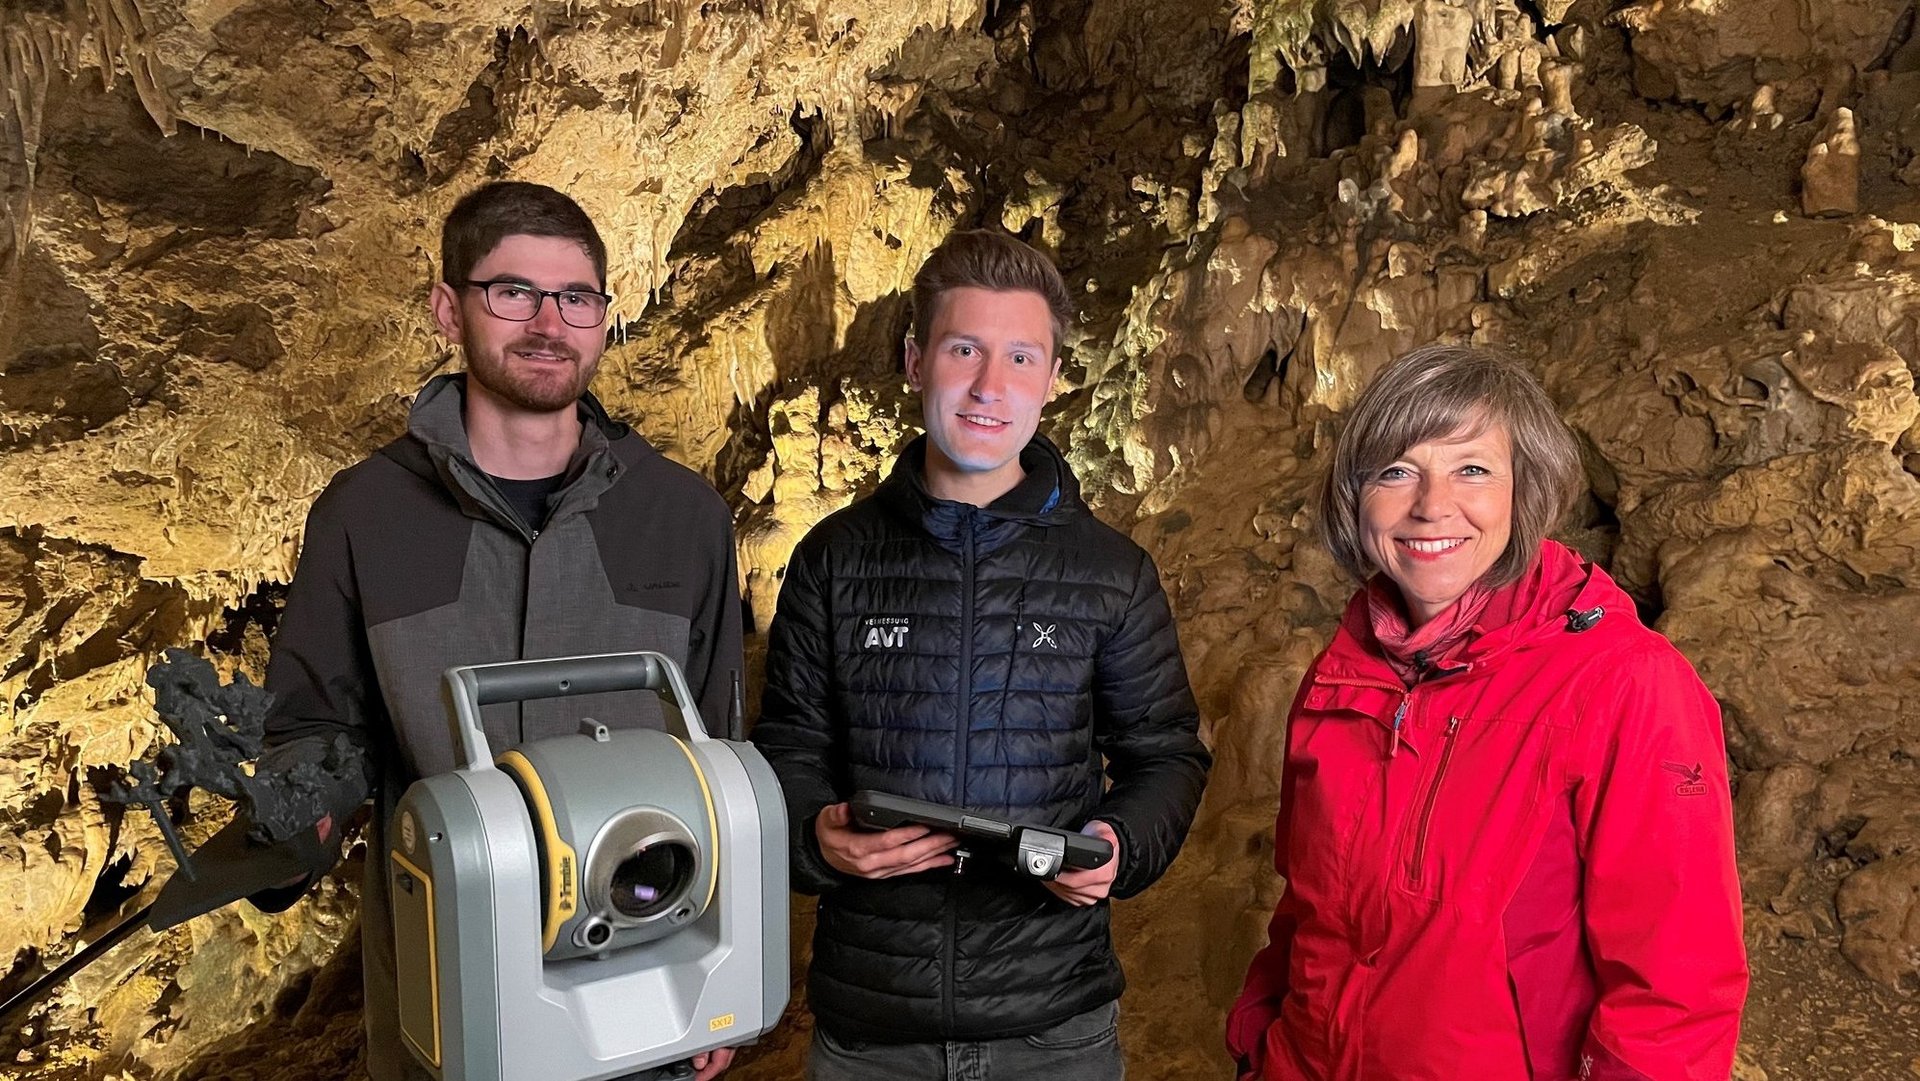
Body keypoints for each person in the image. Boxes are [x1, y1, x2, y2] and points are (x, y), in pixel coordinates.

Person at [254, 181, 744, 1081]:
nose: (547, 322)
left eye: (577, 297)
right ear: (450, 309)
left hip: (637, 996)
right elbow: (312, 729)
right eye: (512, 292)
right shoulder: (364, 515)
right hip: (446, 1011)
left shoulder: (683, 517)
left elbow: (718, 757)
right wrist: (287, 826)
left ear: (602, 319)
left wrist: (723, 973)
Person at [750, 229, 1212, 1080]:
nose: (990, 386)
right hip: (871, 1031)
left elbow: (1166, 753)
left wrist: (1117, 842)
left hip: (1054, 1030)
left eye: (1021, 358)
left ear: (1052, 380)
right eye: (964, 349)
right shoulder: (833, 559)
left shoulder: (1110, 572)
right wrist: (816, 837)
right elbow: (787, 747)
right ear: (916, 359)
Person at [1226, 344, 1747, 1080]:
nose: (1432, 505)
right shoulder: (1340, 678)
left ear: (1523, 490)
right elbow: (1307, 915)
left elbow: (1676, 991)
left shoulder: (1626, 685)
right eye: (1396, 470)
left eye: (1472, 468)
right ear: (1357, 498)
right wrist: (1258, 1045)